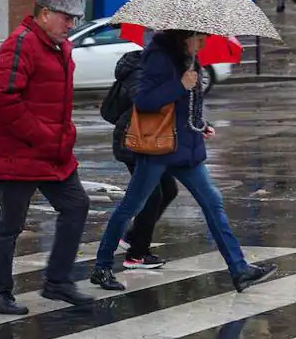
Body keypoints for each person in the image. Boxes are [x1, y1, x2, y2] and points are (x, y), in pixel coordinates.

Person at [90, 28, 277, 292]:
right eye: (200, 40)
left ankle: (239, 269)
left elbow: (187, 107)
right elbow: (144, 102)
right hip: (158, 148)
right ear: (185, 36)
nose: (203, 45)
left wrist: (203, 124)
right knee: (131, 206)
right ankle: (102, 266)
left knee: (213, 202)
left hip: (185, 148)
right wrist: (180, 85)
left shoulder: (188, 58)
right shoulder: (158, 58)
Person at [0, 0, 94, 314]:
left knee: (76, 205)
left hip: (52, 152)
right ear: (45, 15)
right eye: (66, 18)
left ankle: (57, 281)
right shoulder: (20, 44)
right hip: (20, 152)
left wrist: (62, 135)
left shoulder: (58, 47)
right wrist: (44, 136)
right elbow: (2, 98)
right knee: (11, 224)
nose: (71, 25)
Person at [100, 44, 175, 269]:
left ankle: (133, 237)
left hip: (152, 140)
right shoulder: (139, 69)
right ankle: (136, 254)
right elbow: (144, 101)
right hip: (133, 141)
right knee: (151, 197)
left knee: (168, 191)